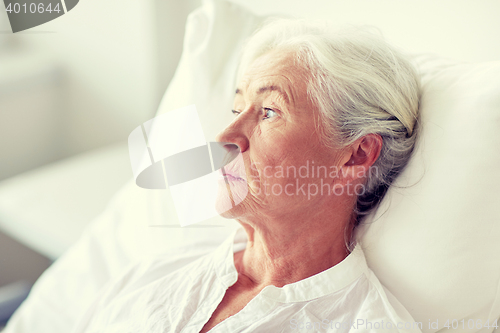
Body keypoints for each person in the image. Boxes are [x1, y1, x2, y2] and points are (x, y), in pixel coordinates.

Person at [72, 19, 421, 333]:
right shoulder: (153, 276)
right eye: (237, 109)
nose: (225, 137)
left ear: (356, 155)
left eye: (269, 112)